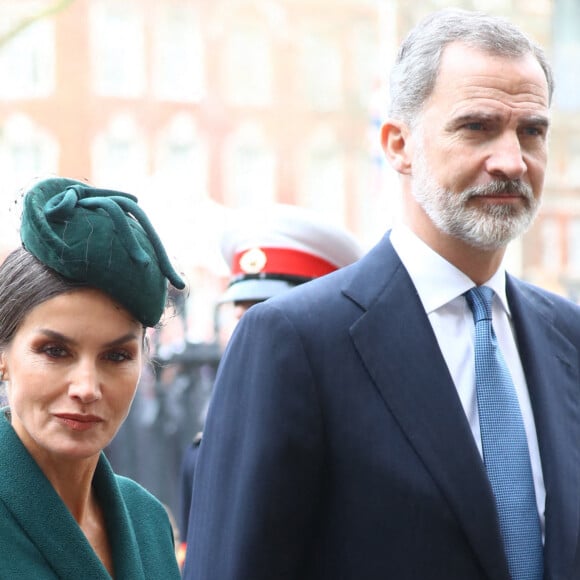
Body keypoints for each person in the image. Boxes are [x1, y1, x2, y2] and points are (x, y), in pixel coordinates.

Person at [182, 8, 580, 580]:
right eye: (477, 127)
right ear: (398, 144)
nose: (511, 160)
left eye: (531, 131)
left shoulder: (566, 338)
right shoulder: (295, 342)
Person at [0, 177, 184, 579]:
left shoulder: (148, 523)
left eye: (116, 356)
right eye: (55, 351)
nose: (86, 388)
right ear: (4, 357)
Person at [177, 204, 363, 565]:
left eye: (268, 316)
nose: (252, 334)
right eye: (241, 316)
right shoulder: (203, 451)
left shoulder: (360, 443)